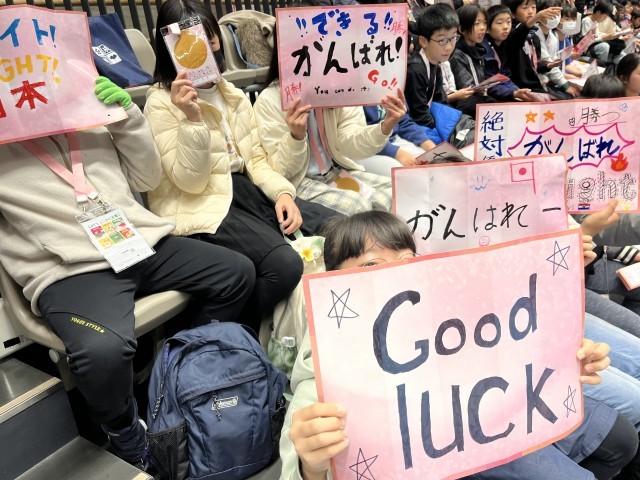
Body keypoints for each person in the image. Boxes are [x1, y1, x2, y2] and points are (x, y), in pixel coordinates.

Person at [0, 77, 256, 465]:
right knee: (102, 351)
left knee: (235, 273)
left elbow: (146, 179)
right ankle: (125, 433)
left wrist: (125, 117)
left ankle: (179, 373)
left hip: (135, 241)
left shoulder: (83, 103)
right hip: (68, 269)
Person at [280, 211, 639, 480]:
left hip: (504, 419)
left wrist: (563, 360)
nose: (396, 272)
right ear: (335, 281)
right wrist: (311, 465)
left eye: (407, 260)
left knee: (620, 438)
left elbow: (505, 349)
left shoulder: (452, 316)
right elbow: (303, 462)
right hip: (453, 457)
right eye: (372, 264)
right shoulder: (327, 373)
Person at [145, 0, 331, 325]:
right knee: (284, 266)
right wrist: (192, 120)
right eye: (189, 44)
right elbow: (191, 182)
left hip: (243, 190)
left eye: (209, 39)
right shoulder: (160, 103)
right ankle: (234, 331)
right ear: (169, 50)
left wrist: (282, 193)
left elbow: (256, 159)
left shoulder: (231, 93)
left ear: (217, 39)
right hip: (201, 202)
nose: (204, 50)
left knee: (337, 228)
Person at [253, 32, 403, 215]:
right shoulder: (269, 99)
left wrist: (384, 127)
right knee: (360, 210)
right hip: (300, 181)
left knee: (397, 193)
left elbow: (349, 144)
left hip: (335, 169)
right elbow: (281, 171)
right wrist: (296, 137)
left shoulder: (338, 87)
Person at [404, 3, 475, 147]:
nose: (449, 47)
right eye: (442, 40)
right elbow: (419, 116)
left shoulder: (435, 62)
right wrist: (443, 138)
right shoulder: (415, 69)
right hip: (418, 130)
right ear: (423, 41)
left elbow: (441, 101)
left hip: (434, 122)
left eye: (453, 38)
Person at [448, 4, 497, 117]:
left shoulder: (478, 50)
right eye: (476, 23)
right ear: (461, 29)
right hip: (464, 104)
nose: (482, 27)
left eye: (484, 22)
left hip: (477, 99)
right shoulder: (457, 54)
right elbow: (466, 88)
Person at [482, 5, 536, 102]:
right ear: (487, 28)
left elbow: (505, 77)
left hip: (505, 92)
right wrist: (513, 93)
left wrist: (516, 91)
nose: (506, 27)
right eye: (500, 23)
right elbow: (488, 83)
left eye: (508, 22)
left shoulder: (504, 46)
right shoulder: (483, 49)